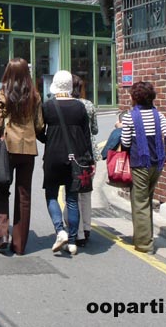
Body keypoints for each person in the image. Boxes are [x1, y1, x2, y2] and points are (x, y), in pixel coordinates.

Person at [0, 58, 44, 255]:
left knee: (2, 190)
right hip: (28, 149)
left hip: (6, 149)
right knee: (24, 196)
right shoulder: (35, 96)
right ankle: (20, 245)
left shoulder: (1, 94)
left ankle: (3, 234)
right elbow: (39, 126)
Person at [38, 70, 91, 256]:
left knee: (51, 194)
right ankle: (73, 240)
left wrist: (48, 139)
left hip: (53, 157)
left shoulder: (48, 106)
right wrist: (88, 160)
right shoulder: (79, 107)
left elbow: (38, 130)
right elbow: (86, 136)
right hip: (75, 158)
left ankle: (60, 230)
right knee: (71, 199)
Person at [120, 81, 166, 254]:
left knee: (140, 201)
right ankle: (144, 236)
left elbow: (125, 142)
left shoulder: (130, 116)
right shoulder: (159, 115)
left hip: (139, 163)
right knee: (147, 199)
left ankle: (144, 244)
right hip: (157, 163)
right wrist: (165, 154)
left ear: (135, 98)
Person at [71, 74, 97, 247]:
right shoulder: (89, 105)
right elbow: (94, 130)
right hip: (90, 153)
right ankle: (87, 228)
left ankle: (78, 232)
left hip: (74, 152)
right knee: (86, 192)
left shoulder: (67, 105)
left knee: (73, 193)